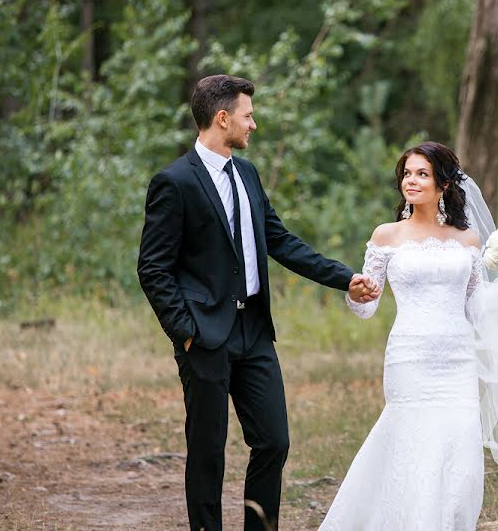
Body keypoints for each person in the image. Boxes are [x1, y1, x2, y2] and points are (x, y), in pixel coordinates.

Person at [137, 74, 379, 531]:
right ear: (222, 117)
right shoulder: (173, 182)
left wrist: (344, 278)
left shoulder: (247, 173)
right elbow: (153, 268)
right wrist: (186, 332)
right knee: (207, 452)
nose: (254, 124)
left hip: (255, 334)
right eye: (248, 115)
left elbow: (280, 242)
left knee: (274, 442)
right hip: (204, 336)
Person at [319, 141, 498, 530]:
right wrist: (356, 292)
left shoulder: (467, 241)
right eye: (407, 173)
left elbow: (477, 307)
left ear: (443, 184)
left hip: (458, 362)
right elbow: (366, 307)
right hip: (409, 359)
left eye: (422, 174)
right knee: (411, 450)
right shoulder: (386, 236)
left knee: (459, 456)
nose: (411, 181)